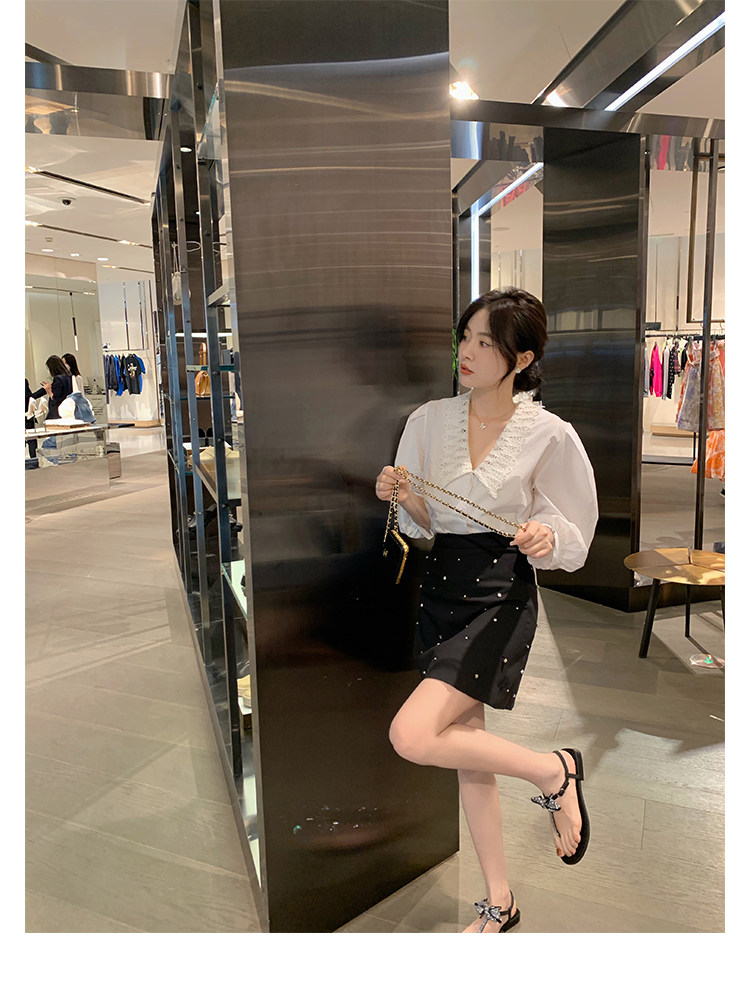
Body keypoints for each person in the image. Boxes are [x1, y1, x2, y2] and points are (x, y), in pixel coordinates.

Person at [375, 288, 598, 934]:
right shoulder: (428, 420)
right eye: (464, 337)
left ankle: (554, 770)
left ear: (521, 358)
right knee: (468, 754)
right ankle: (501, 901)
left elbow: (574, 527)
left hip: (500, 594)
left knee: (412, 735)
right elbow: (427, 523)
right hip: (442, 587)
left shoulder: (548, 434)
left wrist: (545, 535)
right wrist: (402, 494)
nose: (466, 352)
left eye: (485, 342)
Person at [30, 355, 72, 420]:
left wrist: (49, 391)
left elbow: (56, 398)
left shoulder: (58, 379)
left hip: (57, 413)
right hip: (67, 410)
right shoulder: (69, 377)